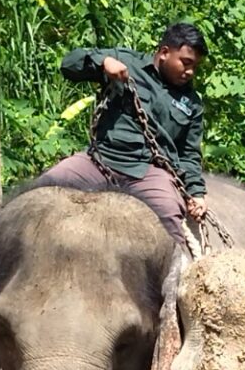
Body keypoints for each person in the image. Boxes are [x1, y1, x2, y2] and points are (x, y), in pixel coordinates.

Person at [34, 22, 209, 243]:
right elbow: (69, 64)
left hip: (148, 172)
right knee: (40, 191)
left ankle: (176, 274)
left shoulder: (192, 103)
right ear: (165, 52)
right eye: (186, 63)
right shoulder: (126, 61)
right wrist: (103, 63)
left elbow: (189, 155)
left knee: (168, 215)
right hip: (100, 160)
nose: (190, 71)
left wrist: (196, 193)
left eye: (195, 66)